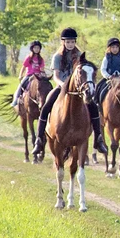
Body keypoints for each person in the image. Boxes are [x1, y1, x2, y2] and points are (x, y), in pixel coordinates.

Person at [31, 27, 108, 156]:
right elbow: (55, 75)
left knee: (93, 107)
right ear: (63, 42)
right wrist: (62, 85)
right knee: (46, 107)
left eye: (72, 42)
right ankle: (39, 140)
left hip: (78, 89)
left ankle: (98, 139)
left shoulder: (79, 56)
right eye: (68, 42)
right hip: (61, 87)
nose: (70, 44)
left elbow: (83, 73)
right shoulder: (57, 57)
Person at [11, 41, 45, 107]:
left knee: (46, 86)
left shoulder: (41, 59)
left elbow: (42, 70)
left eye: (38, 48)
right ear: (32, 48)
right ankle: (15, 100)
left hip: (38, 76)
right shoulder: (29, 58)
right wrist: (20, 75)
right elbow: (23, 67)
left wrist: (43, 75)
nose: (36, 49)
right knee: (20, 86)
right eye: (35, 48)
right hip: (29, 75)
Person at [96, 37, 120, 103]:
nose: (115, 49)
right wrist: (108, 76)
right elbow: (103, 69)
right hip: (109, 78)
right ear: (109, 48)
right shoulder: (106, 58)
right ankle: (97, 102)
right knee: (99, 86)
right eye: (113, 47)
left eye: (116, 47)